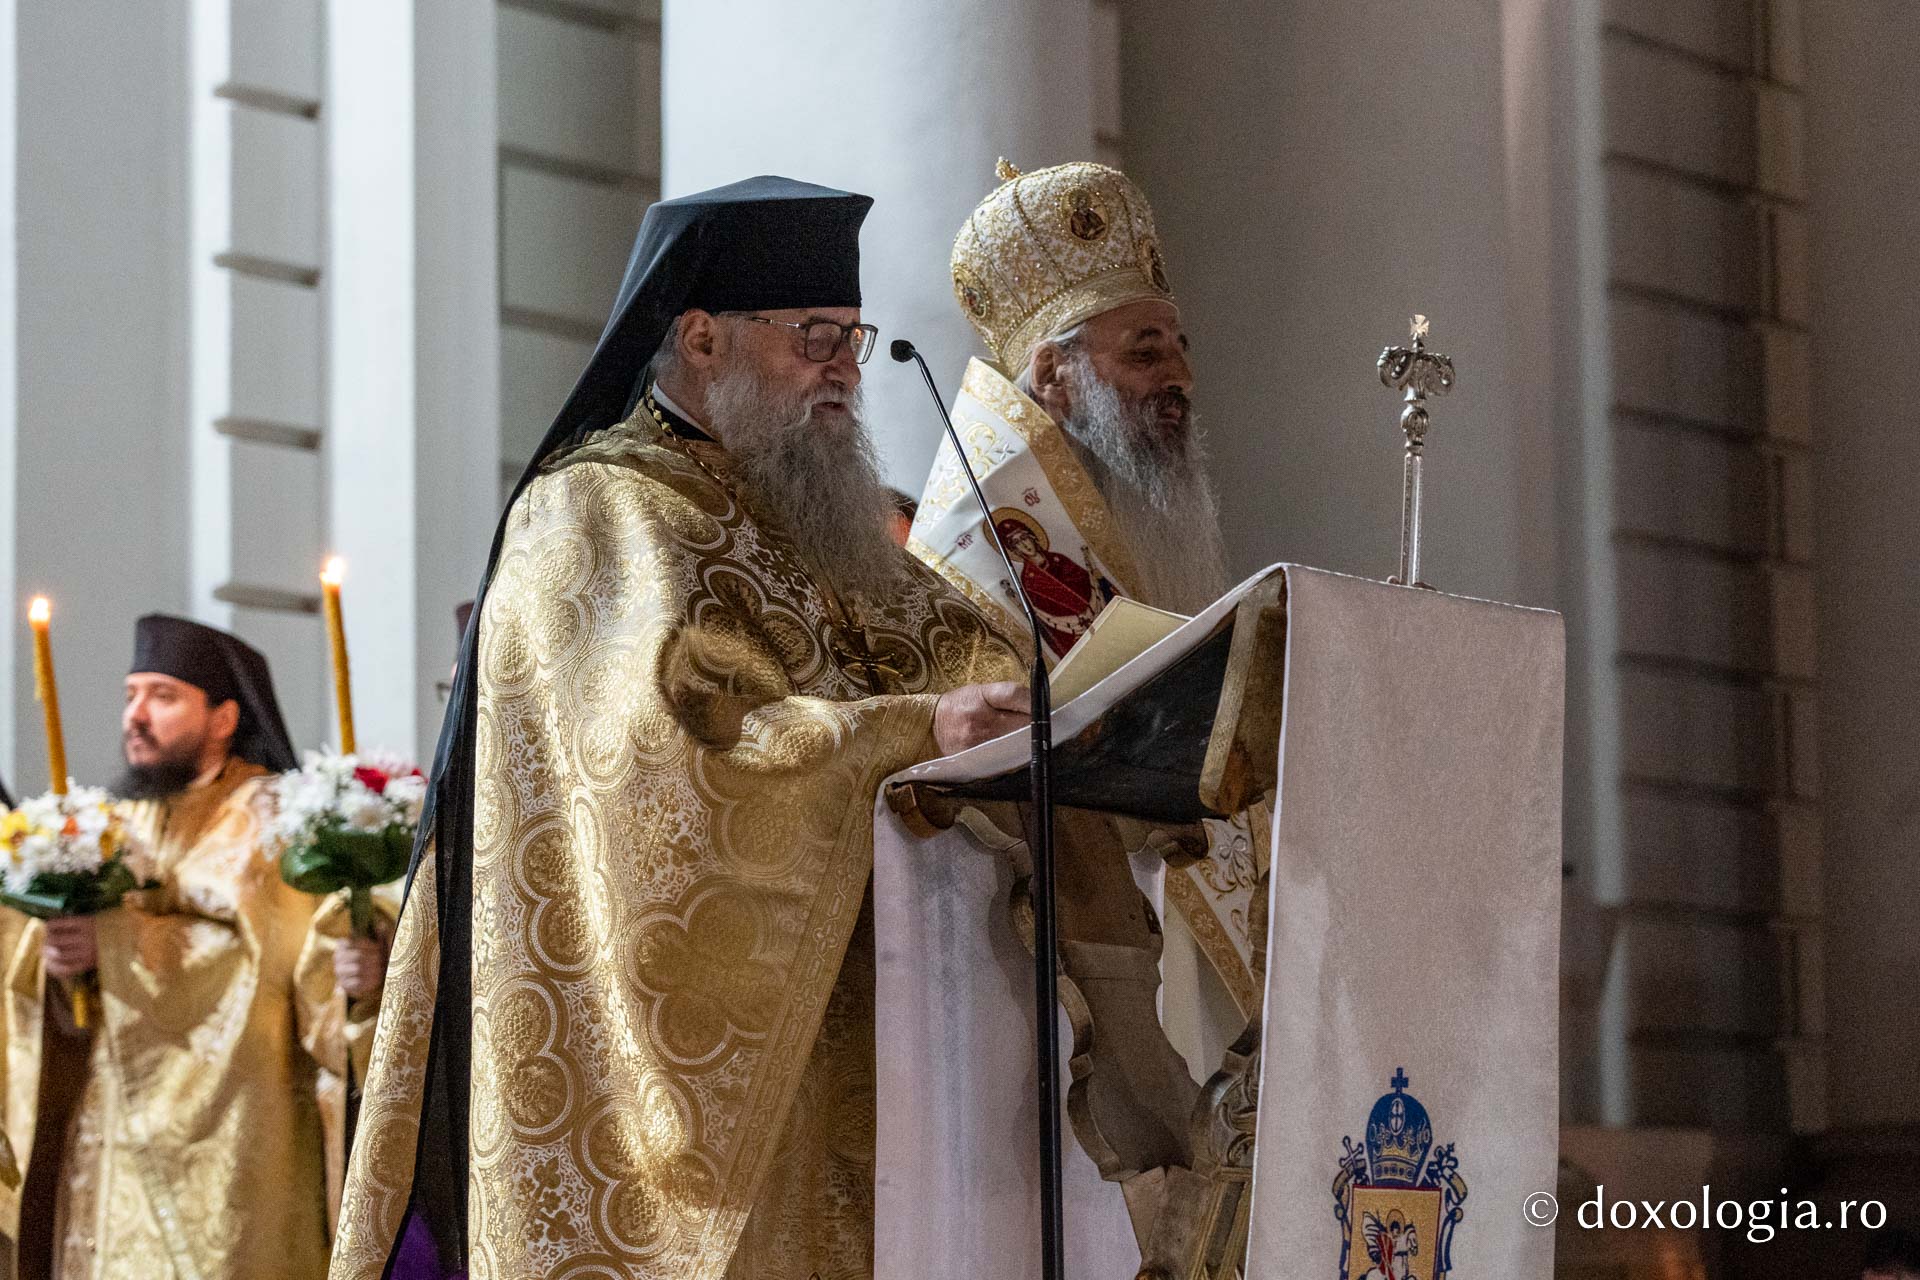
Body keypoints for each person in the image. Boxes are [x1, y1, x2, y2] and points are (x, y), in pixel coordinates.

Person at [330, 176, 1024, 1280]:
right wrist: (916, 731)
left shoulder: (819, 517)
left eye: (853, 338)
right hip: (709, 1080)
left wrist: (1070, 696)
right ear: (701, 338)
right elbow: (667, 767)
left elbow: (963, 646)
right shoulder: (598, 511)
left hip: (880, 1038)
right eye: (812, 338)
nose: (845, 367)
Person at [915, 158, 1254, 1071]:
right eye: (1144, 351)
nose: (1178, 375)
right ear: (1053, 375)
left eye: (1179, 347)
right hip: (1038, 967)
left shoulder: (1118, 499)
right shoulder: (986, 527)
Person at [0, 614, 379, 1279]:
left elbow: (276, 966)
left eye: (162, 696)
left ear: (224, 716)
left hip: (236, 1148)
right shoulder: (115, 824)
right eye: (130, 695)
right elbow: (56, 985)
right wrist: (62, 967)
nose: (136, 715)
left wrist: (112, 943)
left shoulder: (273, 817)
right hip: (113, 1135)